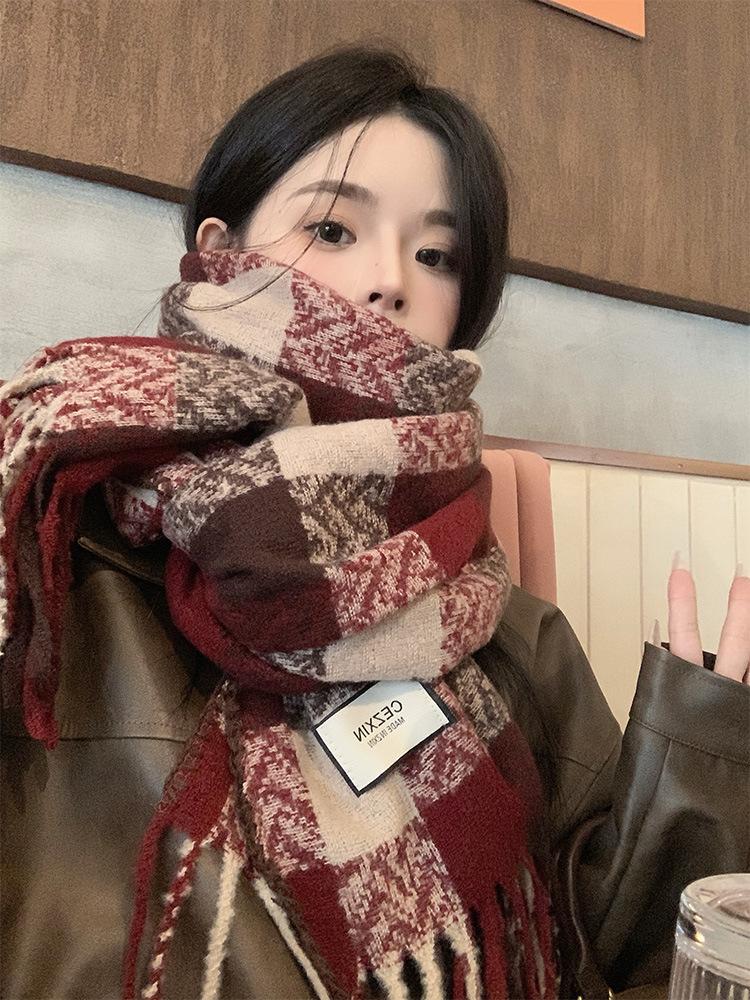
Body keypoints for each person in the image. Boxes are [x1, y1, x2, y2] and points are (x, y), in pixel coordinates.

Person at [1, 42, 748, 1000]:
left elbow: (625, 953)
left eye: (436, 254)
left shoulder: (511, 634)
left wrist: (699, 767)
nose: (391, 279)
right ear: (220, 252)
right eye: (334, 228)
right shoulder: (46, 546)